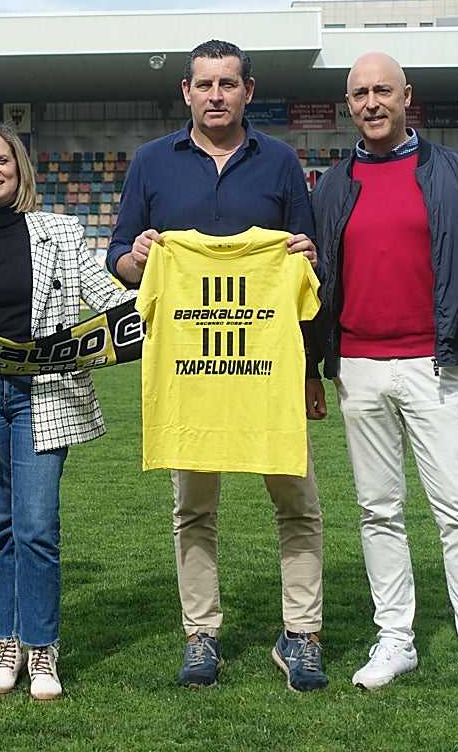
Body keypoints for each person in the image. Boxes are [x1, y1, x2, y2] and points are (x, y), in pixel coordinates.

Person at [107, 39, 329, 693]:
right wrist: (138, 256)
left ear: (248, 91)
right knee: (193, 510)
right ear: (186, 91)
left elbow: (311, 268)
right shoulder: (151, 165)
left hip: (269, 376)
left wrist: (304, 258)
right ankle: (201, 636)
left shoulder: (282, 162)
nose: (215, 95)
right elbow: (119, 255)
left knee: (299, 503)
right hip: (191, 377)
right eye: (204, 84)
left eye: (228, 84)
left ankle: (302, 633)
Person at [306, 52, 458, 705]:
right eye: (359, 94)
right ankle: (395, 639)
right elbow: (315, 285)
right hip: (358, 370)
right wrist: (309, 366)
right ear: (349, 104)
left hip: (438, 366)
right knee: (378, 511)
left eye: (382, 90)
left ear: (407, 96)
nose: (371, 102)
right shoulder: (333, 185)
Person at [0, 122, 135, 702]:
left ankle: (42, 651)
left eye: (2, 160)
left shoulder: (62, 233)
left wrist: (170, 290)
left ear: (20, 170)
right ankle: (6, 644)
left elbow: (113, 300)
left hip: (44, 398)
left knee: (37, 528)